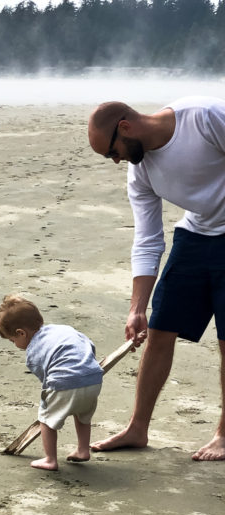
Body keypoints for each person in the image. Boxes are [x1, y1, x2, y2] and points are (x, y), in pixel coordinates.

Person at [87, 97, 225, 461]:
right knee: (160, 331)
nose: (115, 161)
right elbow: (148, 239)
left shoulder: (206, 118)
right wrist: (137, 308)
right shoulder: (141, 171)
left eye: (111, 153)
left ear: (126, 127)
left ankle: (224, 434)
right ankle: (137, 428)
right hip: (196, 235)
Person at [0, 295, 103, 472]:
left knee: (46, 419)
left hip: (63, 382)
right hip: (93, 378)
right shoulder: (63, 329)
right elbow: (88, 345)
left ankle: (50, 459)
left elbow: (45, 378)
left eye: (13, 340)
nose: (15, 345)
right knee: (83, 415)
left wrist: (49, 398)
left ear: (21, 333)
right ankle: (83, 450)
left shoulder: (33, 351)